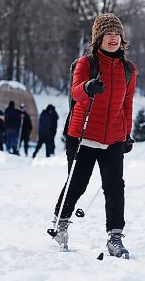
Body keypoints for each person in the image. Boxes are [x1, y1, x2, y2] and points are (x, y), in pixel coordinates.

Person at [51, 13, 137, 257]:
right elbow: (76, 92)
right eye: (108, 34)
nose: (113, 38)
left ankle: (115, 237)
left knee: (114, 186)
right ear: (98, 38)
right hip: (83, 134)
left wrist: (126, 133)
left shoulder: (128, 70)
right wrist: (88, 87)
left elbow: (127, 104)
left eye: (117, 34)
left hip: (114, 137)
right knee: (77, 183)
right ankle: (61, 223)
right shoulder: (85, 64)